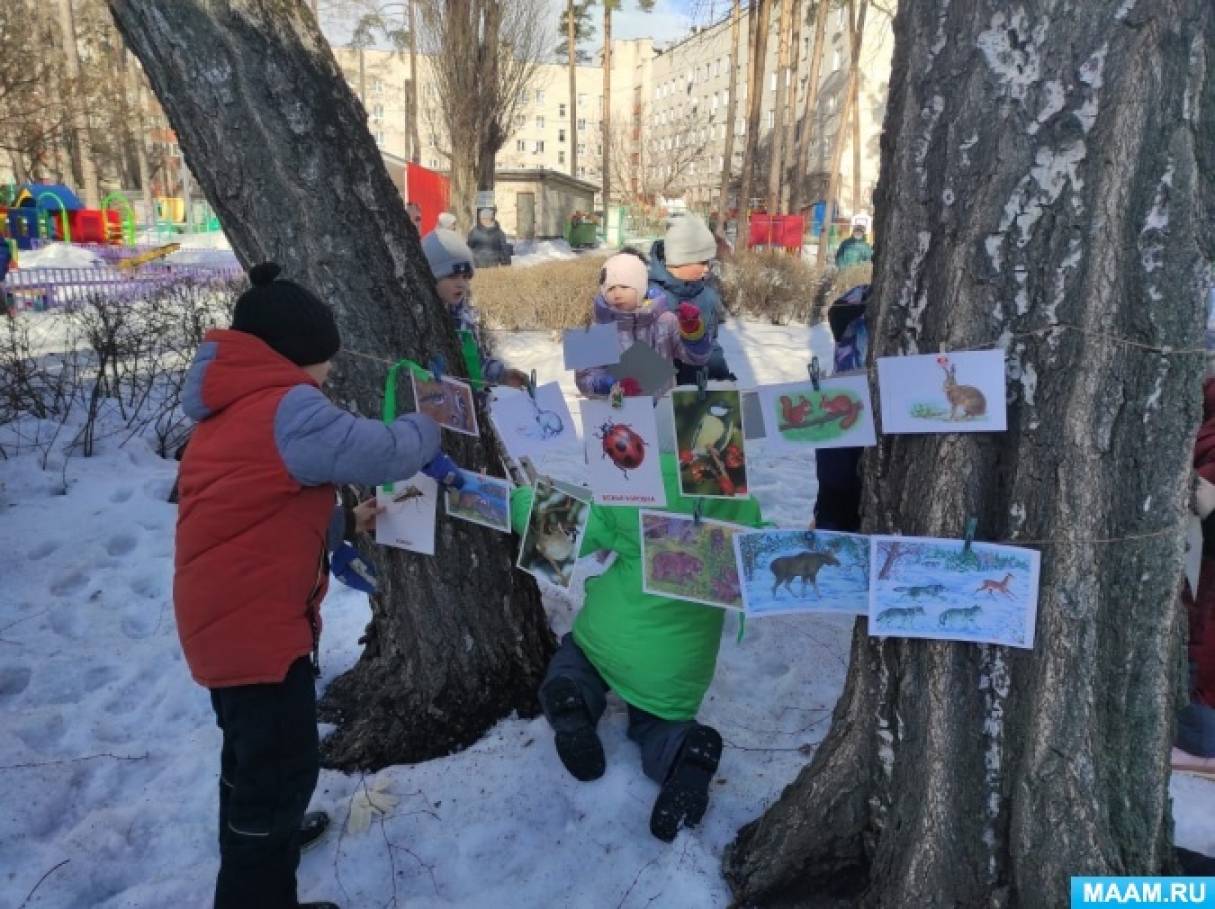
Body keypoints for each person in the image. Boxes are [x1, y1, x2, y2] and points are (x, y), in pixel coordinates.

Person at [175, 262, 463, 909]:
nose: (330, 374)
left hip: (229, 622)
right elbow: (381, 451)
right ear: (293, 357)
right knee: (277, 769)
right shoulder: (288, 407)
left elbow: (254, 504)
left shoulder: (237, 404)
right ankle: (257, 880)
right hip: (253, 634)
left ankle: (264, 834)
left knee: (256, 759)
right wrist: (430, 416)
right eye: (323, 362)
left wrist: (339, 522)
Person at [511, 453, 763, 841]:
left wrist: (522, 498)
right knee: (659, 721)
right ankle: (683, 751)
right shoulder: (737, 506)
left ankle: (572, 698)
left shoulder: (631, 494)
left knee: (577, 660)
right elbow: (766, 549)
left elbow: (552, 529)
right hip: (677, 668)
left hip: (607, 638)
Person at [575, 250, 710, 399]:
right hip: (617, 413)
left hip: (661, 410)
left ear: (640, 287)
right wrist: (608, 383)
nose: (617, 294)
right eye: (611, 288)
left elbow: (697, 357)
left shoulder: (665, 321)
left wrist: (693, 332)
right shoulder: (594, 329)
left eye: (624, 287)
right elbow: (583, 379)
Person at [421, 228, 528, 388]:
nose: (461, 284)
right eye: (452, 276)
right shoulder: (421, 321)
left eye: (466, 277)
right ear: (431, 277)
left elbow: (476, 364)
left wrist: (501, 375)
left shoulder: (463, 319)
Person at [648, 214, 735, 385]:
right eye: (702, 263)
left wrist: (721, 377)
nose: (707, 270)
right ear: (680, 260)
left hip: (697, 392)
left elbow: (711, 345)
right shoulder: (649, 295)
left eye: (709, 263)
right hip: (659, 395)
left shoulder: (707, 296)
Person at [813, 284, 870, 532]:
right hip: (848, 400)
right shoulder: (858, 302)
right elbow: (831, 481)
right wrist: (823, 517)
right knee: (836, 481)